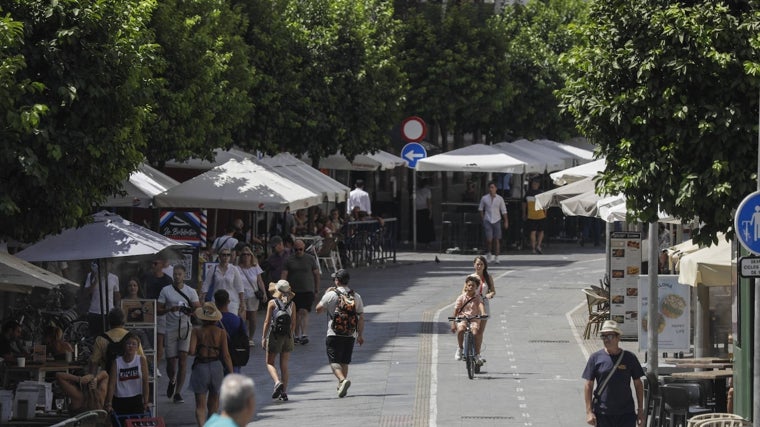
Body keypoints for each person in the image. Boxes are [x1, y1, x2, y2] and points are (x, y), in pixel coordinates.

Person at [582, 320, 645, 427]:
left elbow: (638, 384)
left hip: (626, 413)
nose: (606, 339)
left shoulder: (630, 357)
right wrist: (589, 412)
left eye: (610, 336)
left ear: (618, 337)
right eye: (603, 336)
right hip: (602, 413)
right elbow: (588, 385)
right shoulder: (595, 358)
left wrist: (640, 411)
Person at [315, 269, 364, 398]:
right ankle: (341, 384)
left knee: (334, 361)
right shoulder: (356, 296)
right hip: (350, 334)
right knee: (344, 361)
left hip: (334, 333)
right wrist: (360, 335)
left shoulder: (331, 295)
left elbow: (318, 310)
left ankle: (342, 380)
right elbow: (361, 317)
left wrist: (325, 295)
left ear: (337, 281)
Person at [157, 264, 200, 404]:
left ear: (184, 275)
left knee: (183, 359)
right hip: (170, 328)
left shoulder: (191, 291)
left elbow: (198, 309)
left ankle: (178, 392)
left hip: (185, 327)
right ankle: (172, 379)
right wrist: (170, 309)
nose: (177, 276)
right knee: (171, 362)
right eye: (175, 274)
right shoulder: (166, 290)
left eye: (179, 274)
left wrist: (190, 311)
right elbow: (158, 310)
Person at [189, 302, 234, 427]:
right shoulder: (221, 332)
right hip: (216, 367)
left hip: (200, 367)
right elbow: (226, 355)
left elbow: (191, 351)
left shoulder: (196, 331)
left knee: (200, 404)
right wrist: (231, 372)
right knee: (214, 403)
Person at [261, 280, 296, 402]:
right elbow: (293, 324)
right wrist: (290, 336)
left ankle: (277, 382)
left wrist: (264, 337)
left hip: (275, 335)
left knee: (270, 362)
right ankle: (284, 392)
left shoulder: (272, 303)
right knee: (284, 365)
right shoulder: (292, 304)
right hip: (287, 336)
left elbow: (266, 321)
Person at [282, 239, 320, 345]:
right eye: (296, 249)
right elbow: (284, 274)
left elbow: (316, 274)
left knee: (304, 311)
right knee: (296, 314)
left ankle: (304, 334)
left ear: (304, 248)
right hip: (293, 291)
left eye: (301, 249)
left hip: (307, 289)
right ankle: (296, 334)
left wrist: (317, 289)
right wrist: (282, 289)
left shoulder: (310, 259)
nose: (299, 251)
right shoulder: (289, 260)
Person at [105, 333, 150, 421]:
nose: (131, 346)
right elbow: (112, 384)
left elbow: (145, 382)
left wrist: (146, 401)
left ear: (137, 348)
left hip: (136, 400)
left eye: (134, 344)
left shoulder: (141, 360)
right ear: (124, 346)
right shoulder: (117, 362)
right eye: (128, 344)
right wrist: (109, 403)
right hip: (120, 400)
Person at [89, 308, 145, 375]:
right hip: (128, 377)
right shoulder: (133, 338)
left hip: (108, 378)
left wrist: (92, 380)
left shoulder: (101, 339)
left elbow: (94, 362)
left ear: (109, 321)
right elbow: (142, 359)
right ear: (124, 321)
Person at [144, 257, 173, 378]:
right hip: (148, 310)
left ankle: (155, 366)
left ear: (162, 264)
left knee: (159, 340)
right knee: (148, 339)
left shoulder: (167, 280)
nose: (153, 265)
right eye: (152, 263)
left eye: (155, 263)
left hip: (161, 311)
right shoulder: (147, 278)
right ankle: (149, 365)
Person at [450, 275, 486, 363]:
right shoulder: (461, 297)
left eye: (473, 286)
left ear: (476, 287)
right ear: (466, 286)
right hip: (463, 318)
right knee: (461, 329)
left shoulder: (478, 297)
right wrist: (453, 323)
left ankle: (477, 354)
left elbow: (480, 305)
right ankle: (460, 348)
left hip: (474, 319)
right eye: (469, 285)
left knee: (475, 332)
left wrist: (483, 313)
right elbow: (456, 311)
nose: (470, 287)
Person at [237, 245, 267, 346]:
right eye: (244, 254)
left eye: (248, 254)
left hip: (253, 296)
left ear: (251, 256)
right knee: (242, 317)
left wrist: (264, 293)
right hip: (240, 296)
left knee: (253, 319)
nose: (246, 256)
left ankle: (250, 337)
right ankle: (243, 336)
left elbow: (260, 281)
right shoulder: (237, 267)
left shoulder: (255, 267)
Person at [201, 248, 245, 317]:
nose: (226, 257)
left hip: (231, 300)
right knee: (216, 320)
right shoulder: (214, 269)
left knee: (231, 320)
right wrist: (202, 298)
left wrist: (242, 302)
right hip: (216, 300)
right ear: (219, 257)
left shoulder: (234, 269)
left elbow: (239, 286)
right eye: (224, 255)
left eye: (228, 255)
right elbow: (206, 284)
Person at [83, 261, 121, 337]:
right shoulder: (90, 276)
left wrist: (117, 309)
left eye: (107, 264)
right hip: (94, 312)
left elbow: (117, 296)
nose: (104, 266)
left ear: (111, 265)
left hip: (109, 312)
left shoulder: (114, 278)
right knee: (94, 337)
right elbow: (86, 293)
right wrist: (95, 281)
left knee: (109, 336)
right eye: (103, 264)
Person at [214, 289, 247, 374]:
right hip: (234, 357)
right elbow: (244, 337)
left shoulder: (213, 321)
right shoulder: (237, 320)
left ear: (215, 302)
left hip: (215, 358)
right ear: (228, 301)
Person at [471, 255, 495, 361]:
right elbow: (463, 291)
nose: (479, 266)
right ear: (474, 265)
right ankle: (465, 346)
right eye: (477, 264)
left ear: (484, 266)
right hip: (472, 306)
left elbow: (493, 290)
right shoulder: (470, 277)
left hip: (484, 306)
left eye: (481, 264)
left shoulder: (488, 277)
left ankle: (477, 354)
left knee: (480, 332)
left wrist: (490, 294)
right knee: (472, 329)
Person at [478, 181, 509, 263]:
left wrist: (506, 221)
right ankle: (489, 253)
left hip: (497, 220)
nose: (491, 189)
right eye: (490, 187)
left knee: (497, 239)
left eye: (492, 187)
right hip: (488, 220)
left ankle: (497, 256)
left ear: (496, 188)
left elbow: (503, 210)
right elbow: (481, 209)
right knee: (489, 239)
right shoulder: (484, 198)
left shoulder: (500, 199)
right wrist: (483, 218)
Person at [524, 178, 547, 254]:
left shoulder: (528, 193)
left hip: (531, 215)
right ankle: (538, 245)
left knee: (533, 232)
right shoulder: (541, 193)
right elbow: (545, 204)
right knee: (540, 231)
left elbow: (524, 204)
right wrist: (545, 212)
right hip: (540, 214)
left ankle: (534, 248)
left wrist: (524, 213)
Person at [416, 178, 435, 246]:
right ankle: (427, 242)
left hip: (417, 210)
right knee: (427, 228)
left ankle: (419, 240)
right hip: (425, 210)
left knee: (420, 226)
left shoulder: (416, 191)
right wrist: (430, 212)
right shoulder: (428, 191)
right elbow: (429, 202)